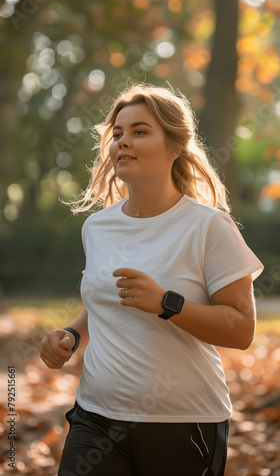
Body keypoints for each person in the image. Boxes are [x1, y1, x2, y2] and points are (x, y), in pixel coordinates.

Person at [40, 84, 264, 476]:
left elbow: (241, 329)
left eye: (140, 131)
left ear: (175, 145)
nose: (124, 141)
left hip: (184, 424)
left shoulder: (209, 227)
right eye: (119, 133)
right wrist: (72, 335)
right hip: (96, 417)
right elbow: (108, 301)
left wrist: (167, 303)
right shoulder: (97, 227)